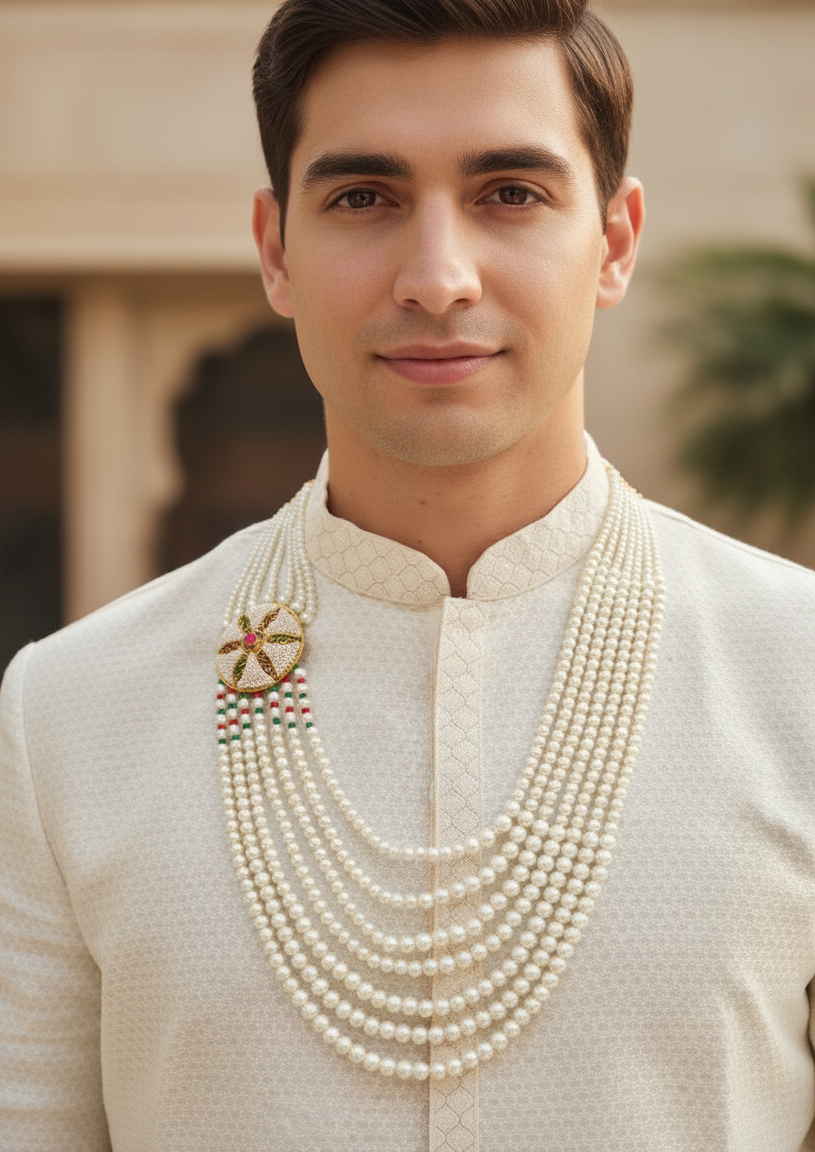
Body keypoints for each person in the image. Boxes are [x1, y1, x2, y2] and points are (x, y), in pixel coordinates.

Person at [2, 0, 815, 1148]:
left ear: (616, 242)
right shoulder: (73, 715)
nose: (437, 277)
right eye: (363, 198)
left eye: (510, 194)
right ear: (276, 249)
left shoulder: (794, 677)